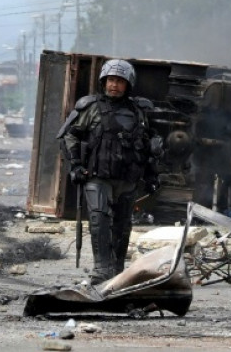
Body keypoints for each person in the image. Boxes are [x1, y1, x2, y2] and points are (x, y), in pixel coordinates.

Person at [56, 59, 162, 285]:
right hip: (97, 176)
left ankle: (118, 270)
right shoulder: (90, 107)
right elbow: (69, 135)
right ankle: (101, 270)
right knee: (100, 219)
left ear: (128, 84)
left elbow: (149, 145)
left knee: (123, 224)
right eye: (111, 80)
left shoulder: (138, 111)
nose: (114, 85)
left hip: (127, 178)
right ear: (104, 81)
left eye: (120, 81)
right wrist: (75, 165)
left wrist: (152, 175)